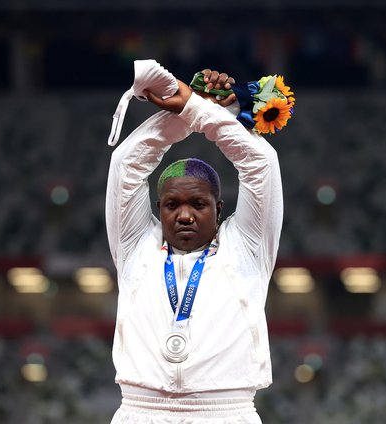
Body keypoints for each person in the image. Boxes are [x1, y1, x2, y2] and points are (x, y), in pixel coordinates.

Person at [105, 67, 284, 423]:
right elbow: (127, 164)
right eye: (173, 205)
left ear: (218, 209)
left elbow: (260, 164)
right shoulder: (134, 244)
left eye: (198, 205)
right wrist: (191, 110)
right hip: (141, 412)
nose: (184, 215)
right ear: (159, 209)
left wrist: (197, 110)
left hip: (224, 413)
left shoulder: (247, 246)